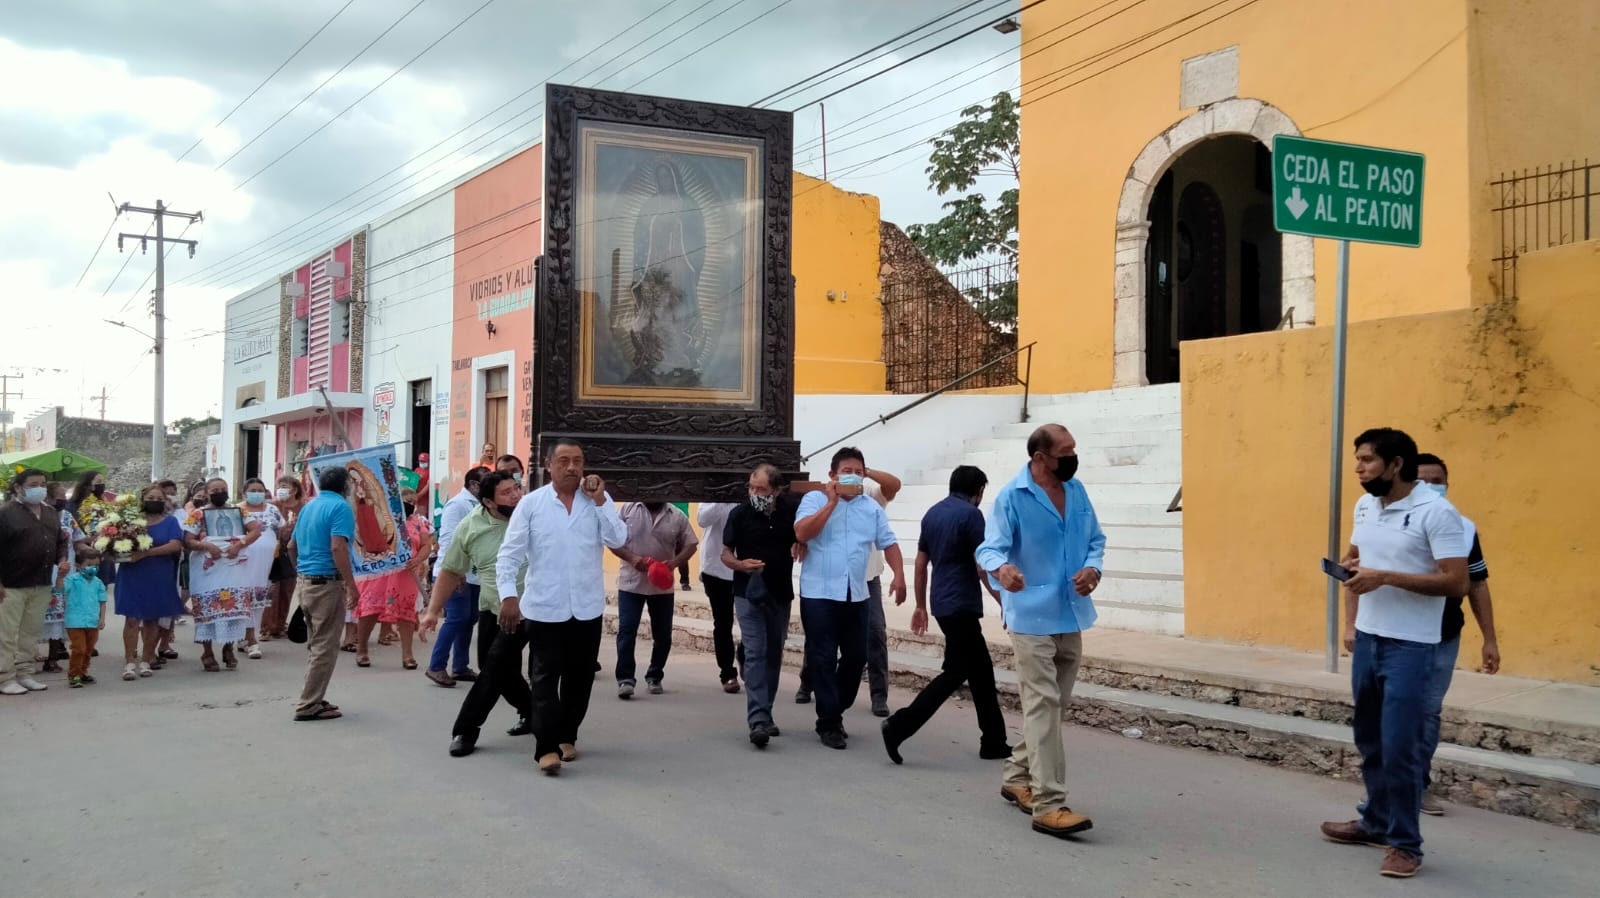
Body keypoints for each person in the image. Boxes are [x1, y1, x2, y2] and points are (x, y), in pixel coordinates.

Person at [1321, 428, 1469, 879]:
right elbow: (1356, 557)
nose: (1359, 468)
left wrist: (1386, 577)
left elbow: (1456, 582)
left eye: (1367, 460)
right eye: (1358, 460)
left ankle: (1406, 844)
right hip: (1369, 639)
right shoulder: (1365, 505)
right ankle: (1376, 821)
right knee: (1369, 739)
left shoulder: (1438, 513)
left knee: (1400, 746)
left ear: (1396, 464)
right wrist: (1352, 574)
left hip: (1412, 647)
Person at [978, 424, 1104, 840]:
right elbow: (989, 548)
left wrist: (1093, 568)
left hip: (1071, 613)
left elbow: (1096, 540)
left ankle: (1016, 775)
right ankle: (1049, 803)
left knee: (1054, 707)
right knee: (1044, 706)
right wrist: (1002, 569)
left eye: (1073, 449)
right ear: (1040, 458)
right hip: (1030, 616)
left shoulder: (1079, 492)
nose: (1072, 457)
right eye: (1065, 451)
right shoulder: (1012, 497)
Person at [496, 439, 628, 774]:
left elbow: (618, 539)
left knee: (580, 678)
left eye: (578, 461)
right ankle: (546, 747)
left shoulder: (597, 501)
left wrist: (599, 501)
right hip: (544, 607)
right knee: (543, 678)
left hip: (586, 606)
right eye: (564, 461)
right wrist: (508, 596)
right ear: (548, 464)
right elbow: (509, 554)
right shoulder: (532, 505)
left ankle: (568, 735)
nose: (572, 468)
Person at [882, 465, 1010, 764]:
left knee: (978, 673)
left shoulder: (932, 514)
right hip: (962, 604)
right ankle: (900, 726)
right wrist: (1003, 600)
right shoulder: (970, 515)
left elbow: (921, 563)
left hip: (942, 603)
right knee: (960, 673)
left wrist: (921, 605)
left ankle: (993, 741)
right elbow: (983, 564)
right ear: (978, 491)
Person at [792, 447, 906, 749]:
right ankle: (828, 722)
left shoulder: (870, 507)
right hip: (819, 592)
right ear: (832, 475)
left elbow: (889, 543)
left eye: (858, 471)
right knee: (823, 657)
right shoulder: (814, 499)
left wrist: (900, 575)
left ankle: (835, 708)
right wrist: (831, 502)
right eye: (847, 470)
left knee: (857, 656)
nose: (853, 476)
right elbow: (802, 533)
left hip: (857, 593)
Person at [418, 472, 532, 756]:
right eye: (506, 492)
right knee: (495, 667)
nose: (515, 495)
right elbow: (451, 569)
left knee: (493, 668)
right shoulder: (471, 527)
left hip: (533, 610)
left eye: (516, 488)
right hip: (494, 608)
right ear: (488, 502)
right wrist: (433, 611)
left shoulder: (532, 515)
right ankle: (533, 712)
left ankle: (465, 731)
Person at [1409, 453, 1498, 816]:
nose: (1431, 487)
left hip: (1444, 635)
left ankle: (1418, 786)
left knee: (1428, 712)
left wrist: (1489, 639)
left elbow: (1477, 585)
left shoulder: (1463, 527)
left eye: (1438, 481)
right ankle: (1388, 785)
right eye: (1423, 481)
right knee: (1393, 710)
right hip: (1400, 634)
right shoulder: (1392, 521)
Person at [722, 464, 802, 747]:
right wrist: (740, 565)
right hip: (747, 592)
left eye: (762, 489)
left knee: (773, 653)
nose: (755, 493)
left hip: (780, 592)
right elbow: (725, 554)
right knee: (756, 652)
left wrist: (802, 541)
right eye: (751, 487)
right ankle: (757, 720)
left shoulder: (791, 510)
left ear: (777, 491)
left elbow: (809, 511)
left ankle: (766, 712)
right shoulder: (740, 514)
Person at [289, 466, 362, 722]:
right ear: (345, 486)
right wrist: (351, 584)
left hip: (307, 581)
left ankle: (314, 697)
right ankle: (309, 704)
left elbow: (291, 545)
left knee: (316, 643)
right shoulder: (340, 507)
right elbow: (337, 546)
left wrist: (301, 570)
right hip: (327, 582)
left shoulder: (310, 506)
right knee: (324, 646)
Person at [610, 501, 698, 697]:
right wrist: (632, 558)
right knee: (627, 631)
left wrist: (675, 562)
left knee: (663, 636)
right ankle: (625, 679)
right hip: (631, 583)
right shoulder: (627, 510)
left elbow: (692, 543)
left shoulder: (676, 515)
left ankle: (655, 674)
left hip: (662, 587)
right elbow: (612, 540)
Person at [182, 478, 265, 672]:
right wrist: (207, 545)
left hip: (233, 566)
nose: (219, 492)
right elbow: (188, 540)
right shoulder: (197, 514)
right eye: (215, 490)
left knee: (232, 608)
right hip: (208, 569)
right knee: (207, 609)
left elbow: (255, 531)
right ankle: (207, 651)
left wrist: (239, 545)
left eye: (223, 489)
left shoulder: (239, 511)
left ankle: (229, 648)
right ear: (208, 492)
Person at [0, 468, 70, 695]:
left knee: (30, 633)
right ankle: (5, 677)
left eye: (42, 483)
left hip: (40, 582)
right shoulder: (6, 514)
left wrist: (62, 559)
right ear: (19, 488)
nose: (39, 488)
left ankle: (24, 673)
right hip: (11, 584)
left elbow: (60, 540)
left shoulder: (50, 513)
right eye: (33, 484)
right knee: (7, 634)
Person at [353, 486, 434, 670]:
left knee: (405, 613)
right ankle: (362, 649)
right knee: (370, 609)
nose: (409, 504)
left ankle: (407, 655)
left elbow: (426, 545)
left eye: (412, 502)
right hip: (379, 572)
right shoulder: (380, 518)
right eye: (406, 501)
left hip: (406, 574)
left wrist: (417, 559)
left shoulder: (418, 522)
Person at [112, 483, 186, 681]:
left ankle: (146, 659)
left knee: (152, 619)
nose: (154, 502)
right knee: (132, 619)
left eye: (159, 499)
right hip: (132, 573)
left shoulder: (170, 522)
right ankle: (129, 660)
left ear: (165, 502)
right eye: (150, 498)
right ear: (142, 499)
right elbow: (114, 539)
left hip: (158, 573)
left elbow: (175, 544)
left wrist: (145, 554)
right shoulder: (130, 521)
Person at [428, 466, 489, 687]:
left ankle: (460, 666)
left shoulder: (480, 505)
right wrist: (456, 571)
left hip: (475, 574)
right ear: (473, 485)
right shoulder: (458, 505)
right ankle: (437, 665)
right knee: (456, 618)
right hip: (456, 573)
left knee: (469, 618)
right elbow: (448, 539)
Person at [237, 477, 285, 659]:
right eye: (253, 490)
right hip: (244, 560)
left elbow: (279, 530)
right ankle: (250, 639)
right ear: (244, 492)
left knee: (259, 600)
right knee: (246, 598)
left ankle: (248, 635)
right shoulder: (238, 510)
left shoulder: (272, 509)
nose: (257, 494)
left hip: (266, 562)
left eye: (260, 490)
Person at [697, 501, 741, 692]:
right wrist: (724, 499)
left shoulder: (754, 493)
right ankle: (727, 673)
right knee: (723, 622)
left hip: (746, 567)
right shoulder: (712, 495)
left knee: (752, 619)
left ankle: (746, 655)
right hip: (716, 568)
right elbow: (702, 519)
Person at [262, 475, 304, 641]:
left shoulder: (303, 507)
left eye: (284, 485)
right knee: (272, 590)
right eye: (278, 485)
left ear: (294, 489)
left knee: (287, 590)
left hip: (294, 553)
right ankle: (266, 627)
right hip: (273, 552)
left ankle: (280, 625)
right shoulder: (272, 506)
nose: (280, 489)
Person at [63, 546, 109, 687]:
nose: (93, 569)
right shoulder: (72, 580)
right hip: (75, 621)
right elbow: (60, 589)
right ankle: (74, 675)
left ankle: (83, 672)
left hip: (92, 621)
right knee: (79, 648)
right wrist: (60, 577)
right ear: (78, 565)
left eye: (96, 565)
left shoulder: (98, 582)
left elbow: (102, 601)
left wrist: (102, 619)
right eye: (89, 565)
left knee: (88, 649)